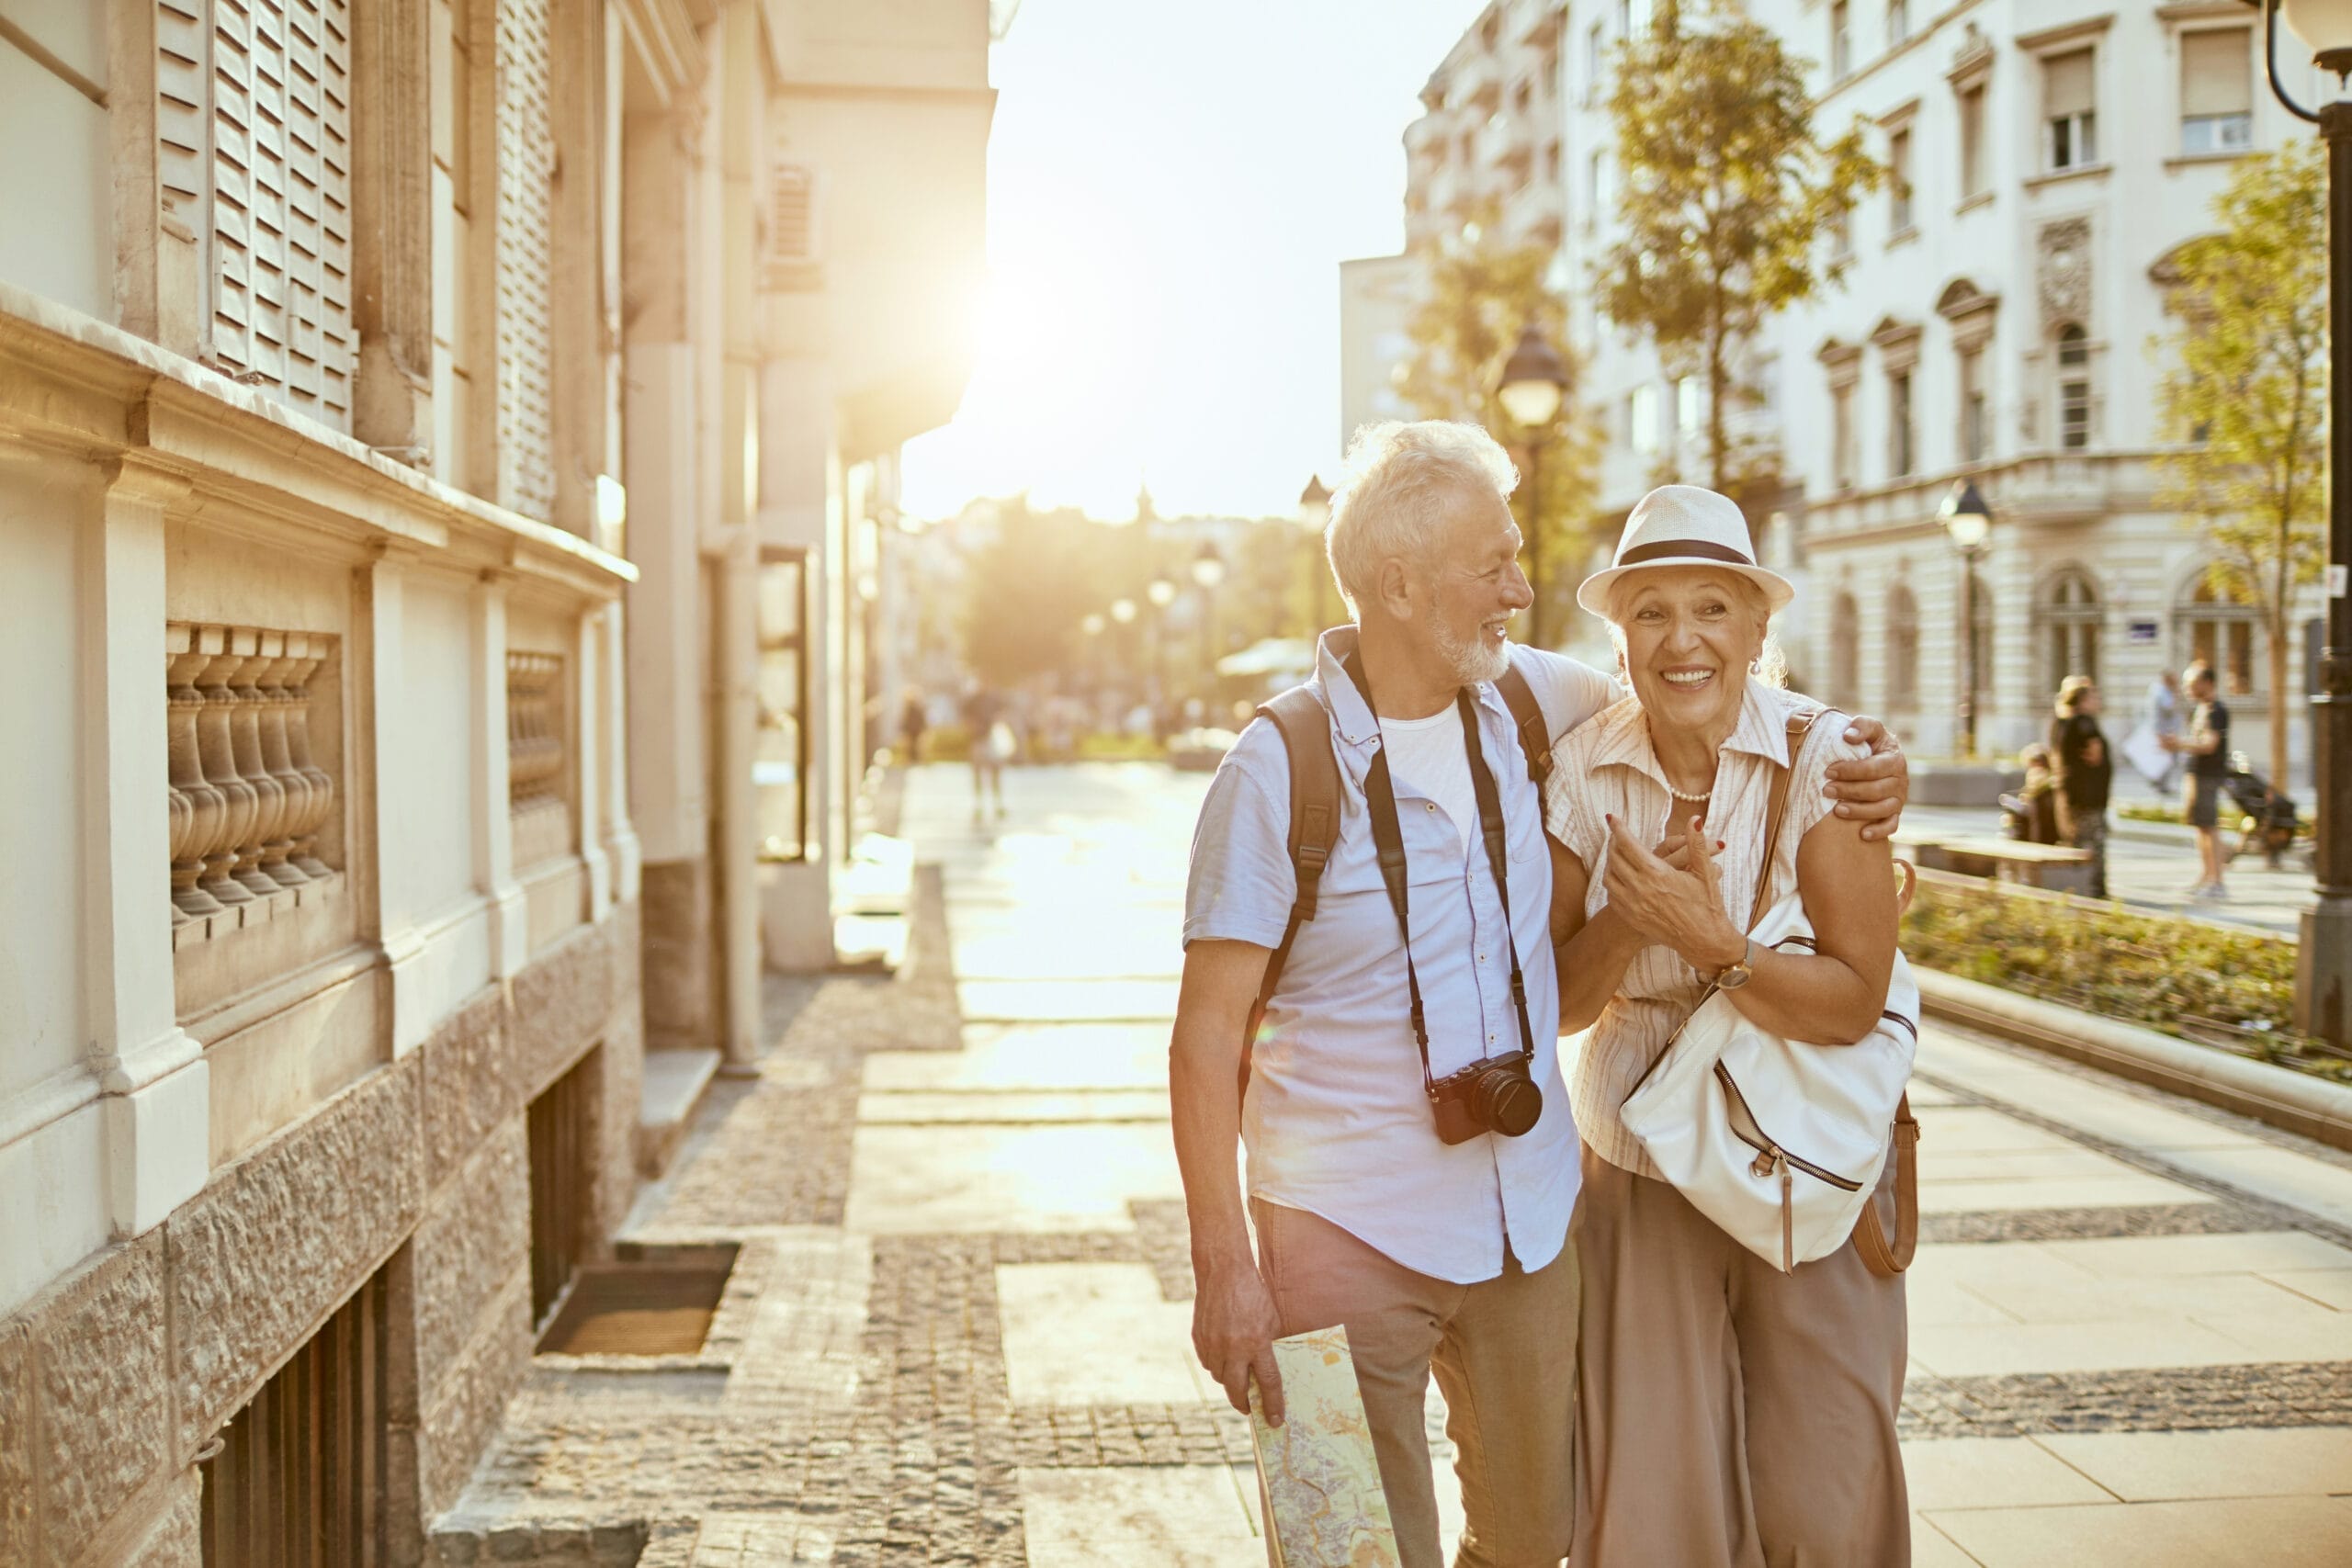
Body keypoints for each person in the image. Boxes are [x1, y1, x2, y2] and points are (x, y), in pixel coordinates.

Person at [1169, 427, 1911, 1568]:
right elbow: (1208, 1034)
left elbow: (1695, 699)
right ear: (1401, 586)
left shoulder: (1532, 701)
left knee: (1537, 1538)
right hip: (1327, 1226)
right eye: (1496, 564)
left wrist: (1870, 762)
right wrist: (1221, 1264)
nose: (1522, 590)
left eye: (1518, 561)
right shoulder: (1276, 767)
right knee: (1338, 1544)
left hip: (1521, 1228)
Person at [1544, 485, 1911, 1567]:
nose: (1683, 638)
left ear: (1757, 629)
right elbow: (1561, 1002)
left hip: (1805, 1147)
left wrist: (1716, 945)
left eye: (1712, 607)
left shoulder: (1830, 758)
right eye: (1650, 610)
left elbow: (1851, 1002)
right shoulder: (1582, 765)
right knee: (1653, 1493)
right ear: (1620, 640)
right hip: (1637, 1153)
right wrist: (1628, 917)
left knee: (1824, 1476)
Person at [2162, 661, 2231, 900]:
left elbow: (2210, 744)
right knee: (2201, 827)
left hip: (2208, 775)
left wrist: (2179, 744)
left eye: (2192, 684)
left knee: (2208, 827)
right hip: (2197, 774)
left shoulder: (2216, 710)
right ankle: (2207, 876)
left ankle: (2217, 881)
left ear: (2207, 683)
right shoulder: (2202, 709)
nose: (2187, 689)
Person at [2048, 675, 2112, 897]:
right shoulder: (2085, 722)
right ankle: (2095, 890)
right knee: (2093, 843)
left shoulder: (2061, 722)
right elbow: (2095, 754)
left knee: (2075, 840)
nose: (2097, 700)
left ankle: (2074, 887)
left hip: (2071, 794)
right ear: (2083, 700)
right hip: (2089, 795)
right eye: (2093, 695)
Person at [962, 679, 1011, 822]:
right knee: (978, 774)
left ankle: (997, 804)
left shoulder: (994, 699)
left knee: (995, 774)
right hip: (978, 740)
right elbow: (966, 717)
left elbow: (1002, 715)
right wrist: (972, 727)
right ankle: (979, 805)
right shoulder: (973, 701)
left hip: (991, 740)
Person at [2012, 742, 2061, 846]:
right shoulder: (2030, 792)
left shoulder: (2049, 791)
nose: (2033, 772)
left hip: (2046, 844)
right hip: (2032, 843)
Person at [2146, 668, 2184, 792]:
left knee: (2165, 758)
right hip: (2165, 731)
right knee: (2168, 758)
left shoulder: (2158, 689)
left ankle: (2158, 781)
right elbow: (2168, 707)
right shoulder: (2162, 691)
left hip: (2165, 729)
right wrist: (2176, 693)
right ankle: (2160, 783)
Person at [898, 688, 928, 766]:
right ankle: (911, 761)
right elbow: (905, 720)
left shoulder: (916, 709)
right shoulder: (908, 709)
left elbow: (921, 719)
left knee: (916, 747)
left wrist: (923, 728)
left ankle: (916, 761)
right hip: (911, 731)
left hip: (916, 731)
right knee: (910, 748)